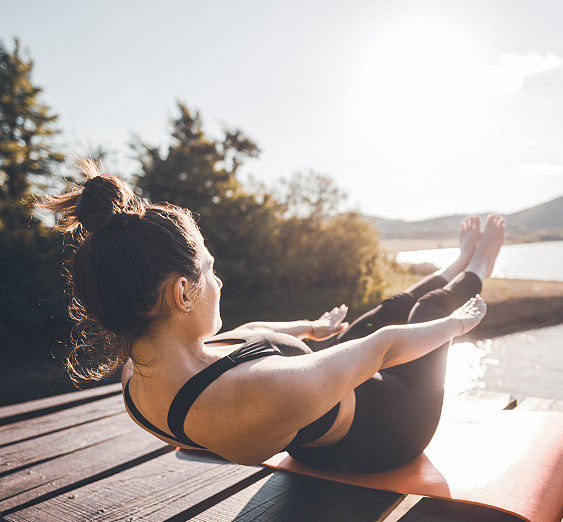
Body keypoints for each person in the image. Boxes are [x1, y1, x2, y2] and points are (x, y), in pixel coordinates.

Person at [36, 159, 506, 473]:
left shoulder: (138, 375)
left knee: (386, 310)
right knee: (425, 314)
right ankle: (479, 268)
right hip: (391, 426)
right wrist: (461, 324)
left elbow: (246, 336)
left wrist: (309, 329)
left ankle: (452, 264)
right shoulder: (257, 392)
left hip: (320, 402)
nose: (218, 283)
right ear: (182, 292)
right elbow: (383, 349)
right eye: (209, 270)